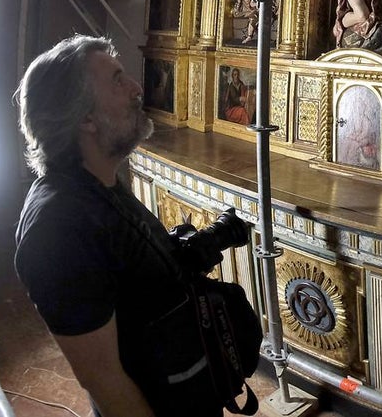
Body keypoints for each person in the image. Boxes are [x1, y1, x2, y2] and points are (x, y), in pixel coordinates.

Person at [14, 35, 226, 417]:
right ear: (85, 119)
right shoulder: (57, 230)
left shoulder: (99, 183)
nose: (136, 89)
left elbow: (134, 283)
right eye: (116, 80)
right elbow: (104, 380)